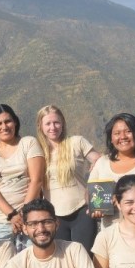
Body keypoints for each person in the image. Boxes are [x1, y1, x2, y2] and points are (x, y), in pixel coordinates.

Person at [0, 104, 45, 247]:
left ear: (15, 122)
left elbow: (36, 181)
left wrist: (23, 215)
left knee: (33, 259)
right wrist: (12, 215)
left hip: (30, 218)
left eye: (8, 121)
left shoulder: (28, 143)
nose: (4, 127)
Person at [36, 105, 100, 251]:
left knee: (84, 257)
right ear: (40, 126)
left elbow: (101, 162)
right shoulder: (37, 150)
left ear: (63, 123)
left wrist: (97, 202)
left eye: (56, 122)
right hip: (53, 216)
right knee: (61, 258)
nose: (53, 127)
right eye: (48, 123)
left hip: (82, 211)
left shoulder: (77, 142)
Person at [87, 113, 135, 232]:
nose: (123, 137)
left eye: (128, 131)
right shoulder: (102, 163)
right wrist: (96, 206)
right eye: (117, 133)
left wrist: (123, 199)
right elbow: (89, 192)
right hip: (111, 232)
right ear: (111, 138)